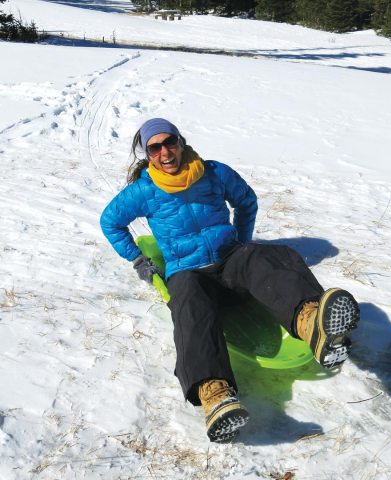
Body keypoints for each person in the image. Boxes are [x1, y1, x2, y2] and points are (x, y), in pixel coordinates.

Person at [100, 118, 360, 443]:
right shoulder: (143, 191)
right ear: (148, 153)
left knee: (273, 256)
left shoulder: (214, 172)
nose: (165, 152)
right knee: (189, 302)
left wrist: (242, 241)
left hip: (229, 262)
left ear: (181, 141)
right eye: (156, 147)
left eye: (170, 142)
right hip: (188, 271)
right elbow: (110, 222)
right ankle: (215, 393)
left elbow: (246, 201)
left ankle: (312, 325)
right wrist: (137, 258)